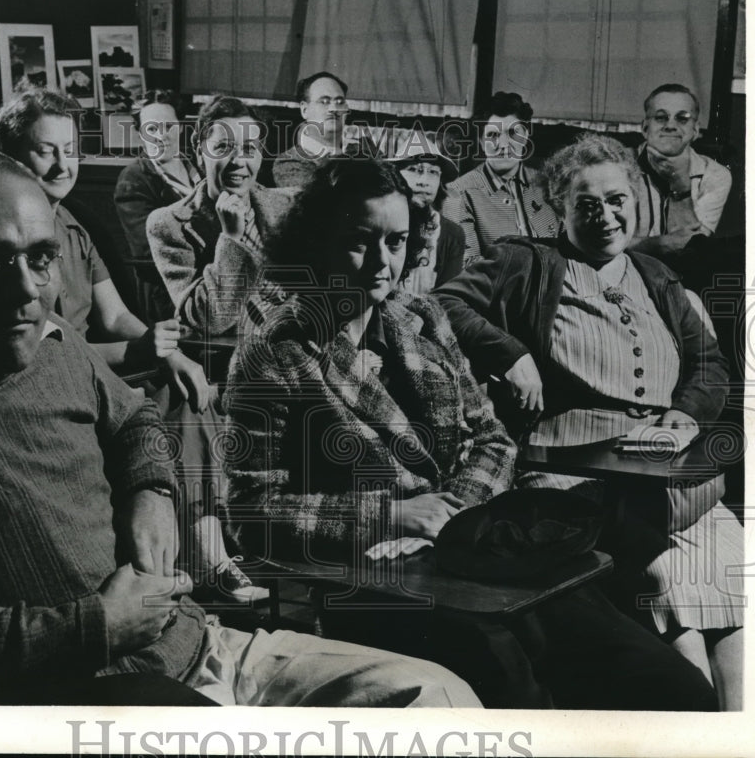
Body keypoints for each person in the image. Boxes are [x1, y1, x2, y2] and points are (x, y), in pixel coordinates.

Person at [0, 148, 480, 707]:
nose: (27, 292)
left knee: (437, 696)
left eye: (43, 259)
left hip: (208, 646)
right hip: (90, 694)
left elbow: (138, 423)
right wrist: (96, 626)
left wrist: (153, 491)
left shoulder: (56, 345)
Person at [223, 157, 720, 711]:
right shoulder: (276, 346)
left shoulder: (420, 316)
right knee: (526, 702)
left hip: (483, 553)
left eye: (397, 241)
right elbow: (248, 511)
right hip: (381, 581)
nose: (381, 263)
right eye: (359, 241)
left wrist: (454, 512)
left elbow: (492, 437)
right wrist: (390, 514)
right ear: (317, 240)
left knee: (671, 687)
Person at [434, 134, 743, 710]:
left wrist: (682, 414)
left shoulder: (657, 276)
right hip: (576, 479)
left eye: (617, 199)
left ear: (635, 201)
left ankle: (742, 732)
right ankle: (689, 723)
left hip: (674, 477)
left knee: (741, 573)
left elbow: (709, 363)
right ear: (559, 207)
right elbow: (441, 304)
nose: (606, 215)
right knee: (669, 580)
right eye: (587, 204)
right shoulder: (525, 261)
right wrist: (510, 353)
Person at [0, 88, 263, 604]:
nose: (63, 163)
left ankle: (202, 550)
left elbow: (114, 316)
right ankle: (200, 554)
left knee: (184, 382)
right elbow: (34, 351)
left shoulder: (71, 226)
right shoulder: (7, 234)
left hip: (92, 368)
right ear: (11, 157)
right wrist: (141, 355)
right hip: (43, 379)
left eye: (71, 149)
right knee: (169, 392)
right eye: (47, 150)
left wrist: (174, 353)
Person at [147, 95, 295, 336]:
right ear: (199, 151)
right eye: (223, 148)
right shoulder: (169, 224)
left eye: (249, 149)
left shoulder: (286, 205)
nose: (238, 161)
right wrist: (231, 238)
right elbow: (210, 320)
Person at [113, 89, 202, 324]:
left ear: (181, 127)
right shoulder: (133, 179)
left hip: (210, 282)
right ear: (140, 134)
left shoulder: (199, 167)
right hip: (166, 295)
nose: (161, 136)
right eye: (152, 129)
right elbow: (148, 249)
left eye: (168, 126)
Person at [443, 92, 559, 265]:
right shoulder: (458, 193)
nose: (503, 144)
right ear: (481, 142)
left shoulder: (548, 185)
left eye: (513, 133)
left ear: (525, 136)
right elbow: (468, 266)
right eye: (493, 135)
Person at [632, 83, 732, 259]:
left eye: (682, 118)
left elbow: (688, 249)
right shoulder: (615, 165)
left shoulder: (716, 174)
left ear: (695, 130)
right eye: (661, 117)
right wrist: (654, 245)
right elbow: (597, 241)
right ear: (645, 128)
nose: (670, 126)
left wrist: (680, 184)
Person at [272, 71, 374, 189]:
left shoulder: (365, 146)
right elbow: (322, 203)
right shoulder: (289, 163)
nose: (333, 109)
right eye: (324, 102)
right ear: (305, 110)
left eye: (340, 102)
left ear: (346, 109)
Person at [390, 132, 465, 293]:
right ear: (396, 175)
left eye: (433, 172)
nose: (423, 181)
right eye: (414, 169)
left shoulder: (451, 234)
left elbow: (449, 298)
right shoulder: (383, 223)